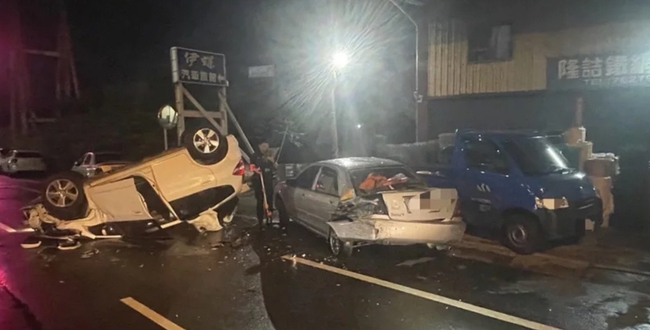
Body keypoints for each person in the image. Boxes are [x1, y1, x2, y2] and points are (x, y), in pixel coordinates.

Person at [251, 143, 276, 224]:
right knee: (260, 200)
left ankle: (270, 215)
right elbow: (252, 167)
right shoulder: (254, 156)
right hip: (259, 180)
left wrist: (272, 161)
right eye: (263, 146)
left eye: (266, 146)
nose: (265, 148)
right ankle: (260, 219)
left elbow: (275, 167)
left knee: (269, 198)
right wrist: (256, 170)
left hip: (268, 180)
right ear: (259, 145)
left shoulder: (269, 155)